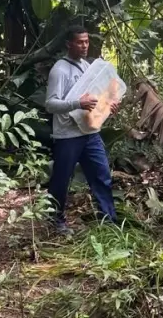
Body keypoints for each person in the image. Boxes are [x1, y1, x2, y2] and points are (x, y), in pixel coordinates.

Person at [45, 25, 119, 235]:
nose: (84, 45)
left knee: (101, 174)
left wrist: (108, 105)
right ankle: (56, 220)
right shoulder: (60, 70)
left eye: (86, 41)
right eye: (80, 42)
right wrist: (77, 103)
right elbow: (50, 104)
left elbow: (96, 97)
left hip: (89, 132)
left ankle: (109, 220)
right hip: (68, 135)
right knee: (62, 178)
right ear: (69, 44)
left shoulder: (87, 66)